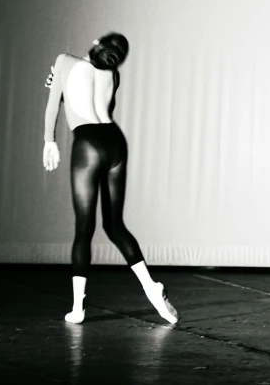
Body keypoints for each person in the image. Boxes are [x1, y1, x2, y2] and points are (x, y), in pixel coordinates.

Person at [43, 32, 180, 324]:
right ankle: (151, 287)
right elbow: (101, 106)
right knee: (114, 225)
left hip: (88, 144)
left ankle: (78, 308)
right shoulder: (114, 75)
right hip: (115, 142)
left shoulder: (64, 61)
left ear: (96, 41)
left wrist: (48, 140)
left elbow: (56, 105)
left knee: (84, 228)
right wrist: (62, 84)